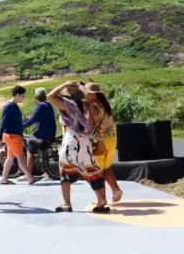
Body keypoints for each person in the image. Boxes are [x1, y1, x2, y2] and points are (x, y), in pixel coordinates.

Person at [48, 81, 108, 213]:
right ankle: (101, 199)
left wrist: (64, 84)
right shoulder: (89, 107)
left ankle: (66, 203)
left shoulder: (68, 106)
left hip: (72, 141)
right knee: (91, 170)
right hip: (85, 141)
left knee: (65, 171)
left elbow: (50, 96)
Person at [83, 83, 123, 203]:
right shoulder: (105, 104)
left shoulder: (94, 106)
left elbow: (89, 124)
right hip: (112, 138)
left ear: (91, 94)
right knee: (106, 168)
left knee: (97, 171)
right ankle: (116, 190)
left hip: (100, 140)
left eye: (85, 93)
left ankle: (102, 198)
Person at [0, 85, 35, 184]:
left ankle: (4, 178)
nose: (23, 98)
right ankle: (30, 178)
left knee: (11, 157)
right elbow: (3, 122)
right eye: (22, 96)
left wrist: (26, 120)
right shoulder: (9, 106)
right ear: (17, 95)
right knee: (21, 158)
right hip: (13, 136)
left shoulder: (12, 106)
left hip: (12, 135)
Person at [23, 87, 57, 178]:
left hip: (43, 133)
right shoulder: (48, 105)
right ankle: (47, 172)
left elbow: (33, 119)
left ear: (36, 97)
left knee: (31, 148)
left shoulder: (40, 106)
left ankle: (28, 174)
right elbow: (37, 117)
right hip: (51, 132)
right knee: (43, 150)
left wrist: (22, 126)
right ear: (45, 97)